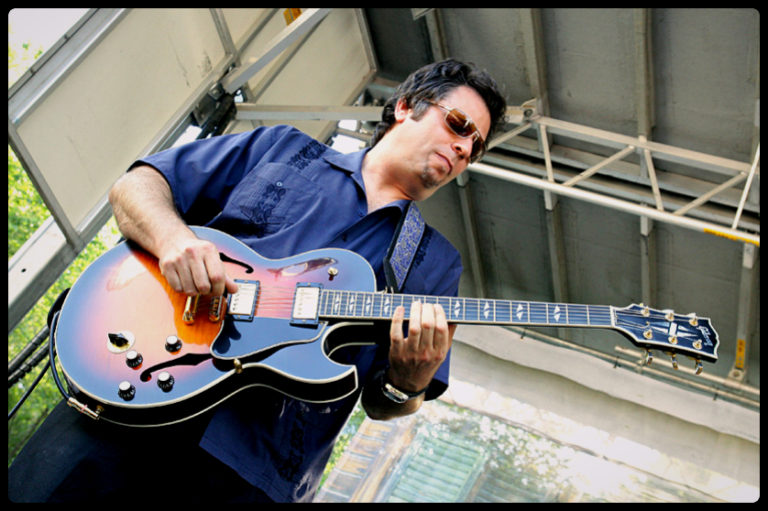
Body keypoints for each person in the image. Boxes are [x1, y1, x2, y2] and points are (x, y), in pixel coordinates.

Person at [8, 58, 507, 502]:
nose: (464, 147)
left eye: (476, 146)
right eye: (459, 124)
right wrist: (173, 240)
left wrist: (410, 381)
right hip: (134, 393)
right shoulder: (282, 148)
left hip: (250, 472)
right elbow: (137, 186)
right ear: (405, 106)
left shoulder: (435, 262)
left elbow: (384, 403)